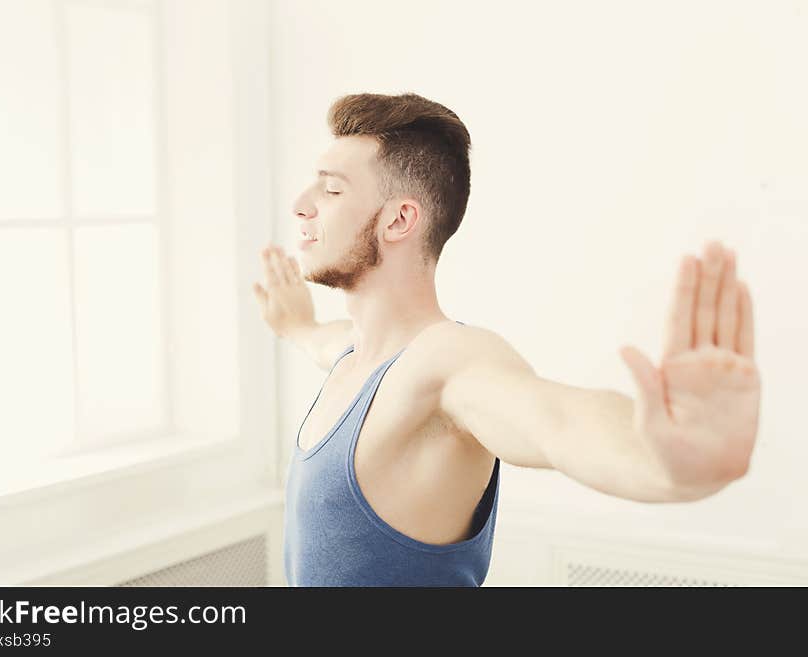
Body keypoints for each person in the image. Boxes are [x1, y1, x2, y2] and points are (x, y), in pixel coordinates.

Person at [251, 92, 761, 586]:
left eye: (332, 190)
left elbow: (557, 420)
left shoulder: (448, 363)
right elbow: (317, 339)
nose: (301, 205)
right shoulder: (351, 352)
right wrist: (297, 325)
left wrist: (662, 463)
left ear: (399, 220)